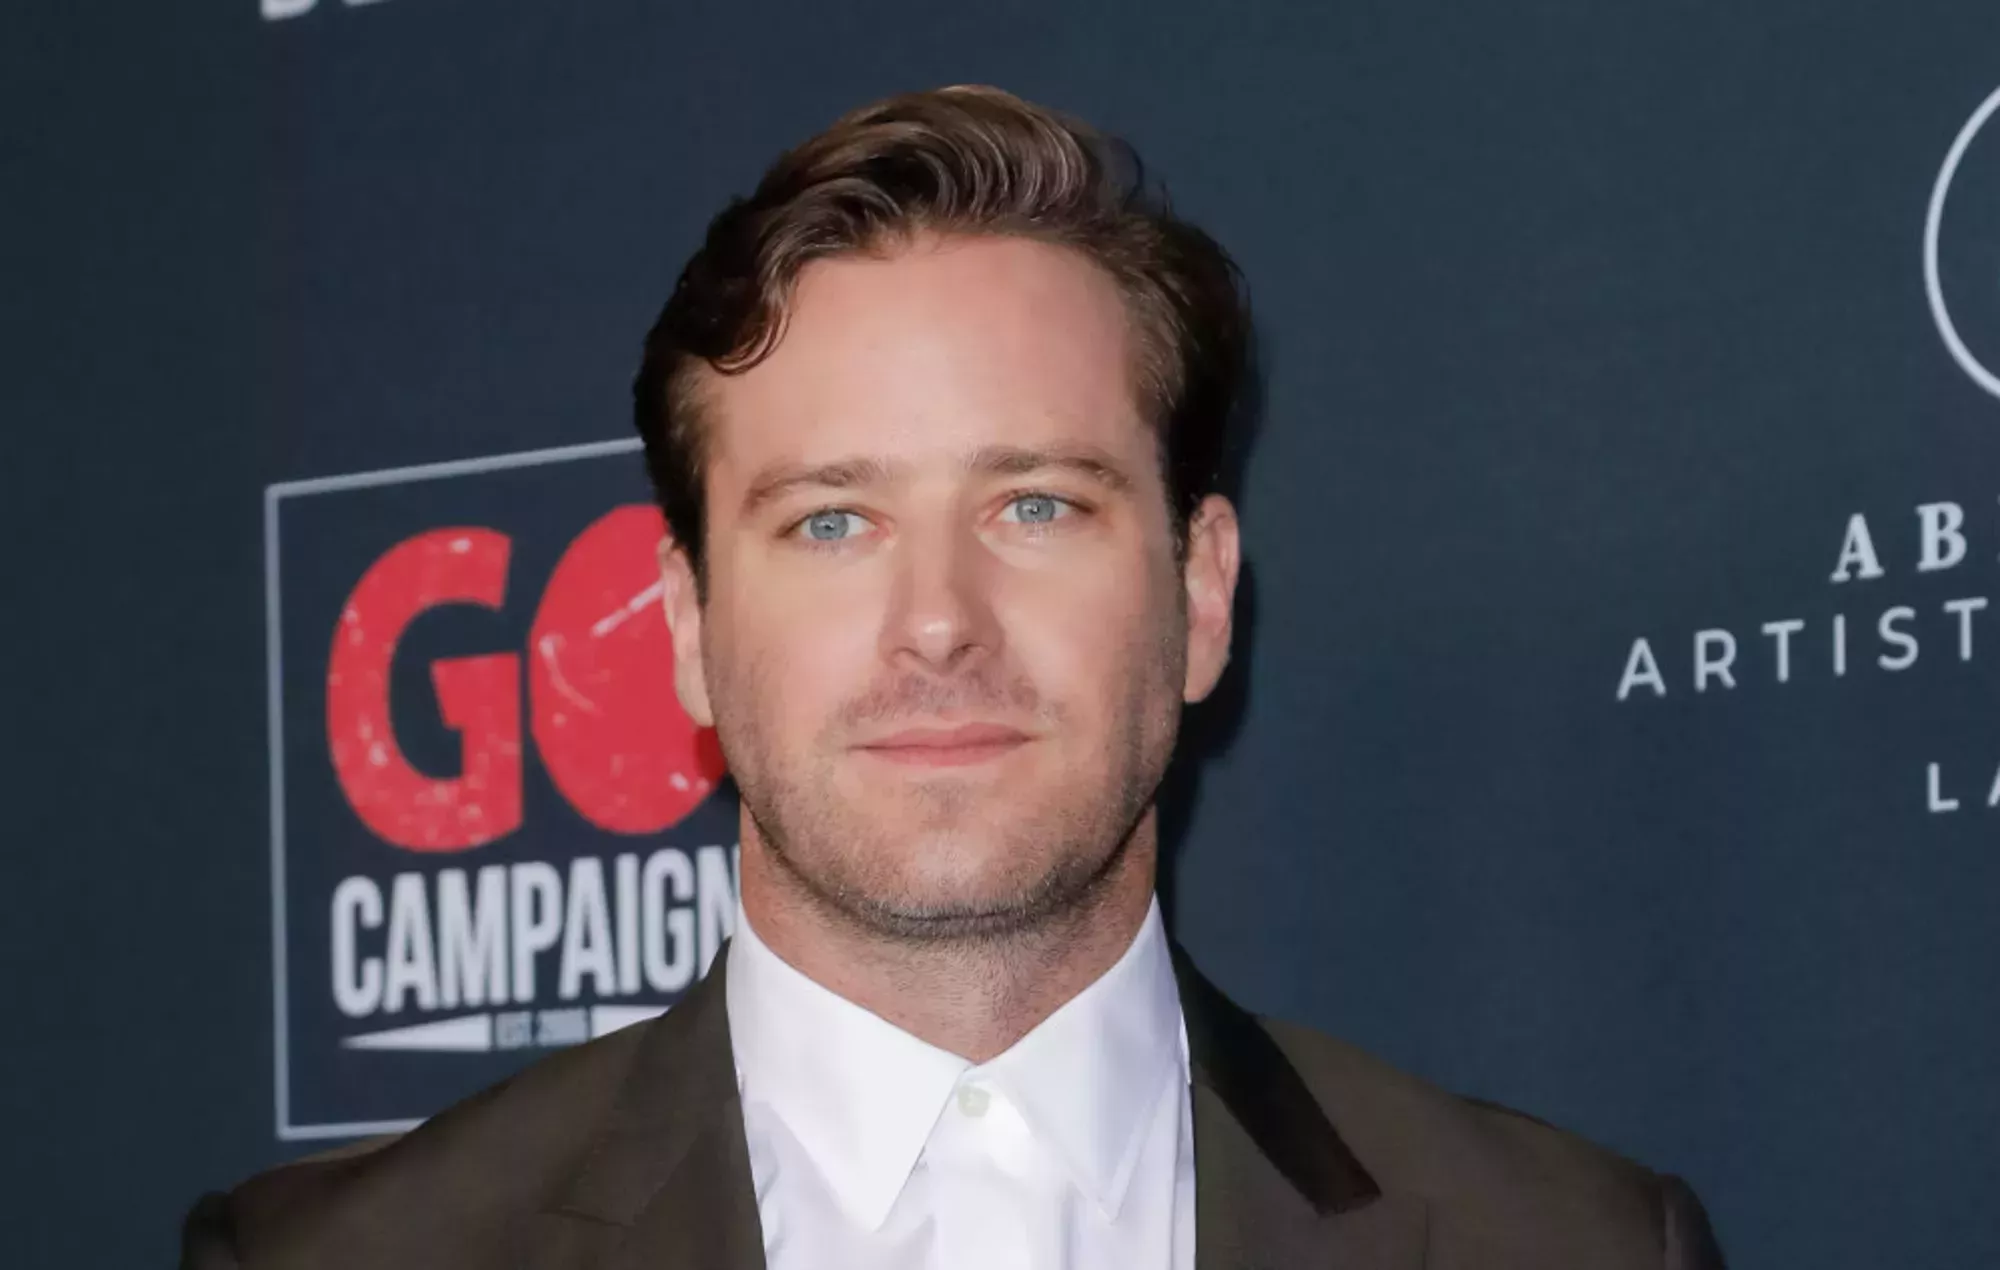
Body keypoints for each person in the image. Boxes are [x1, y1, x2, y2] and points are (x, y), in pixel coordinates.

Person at [182, 85, 1726, 1270]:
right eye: (832, 521)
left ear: (1200, 592)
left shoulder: (1577, 1246)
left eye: (1035, 506)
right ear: (686, 629)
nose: (937, 623)